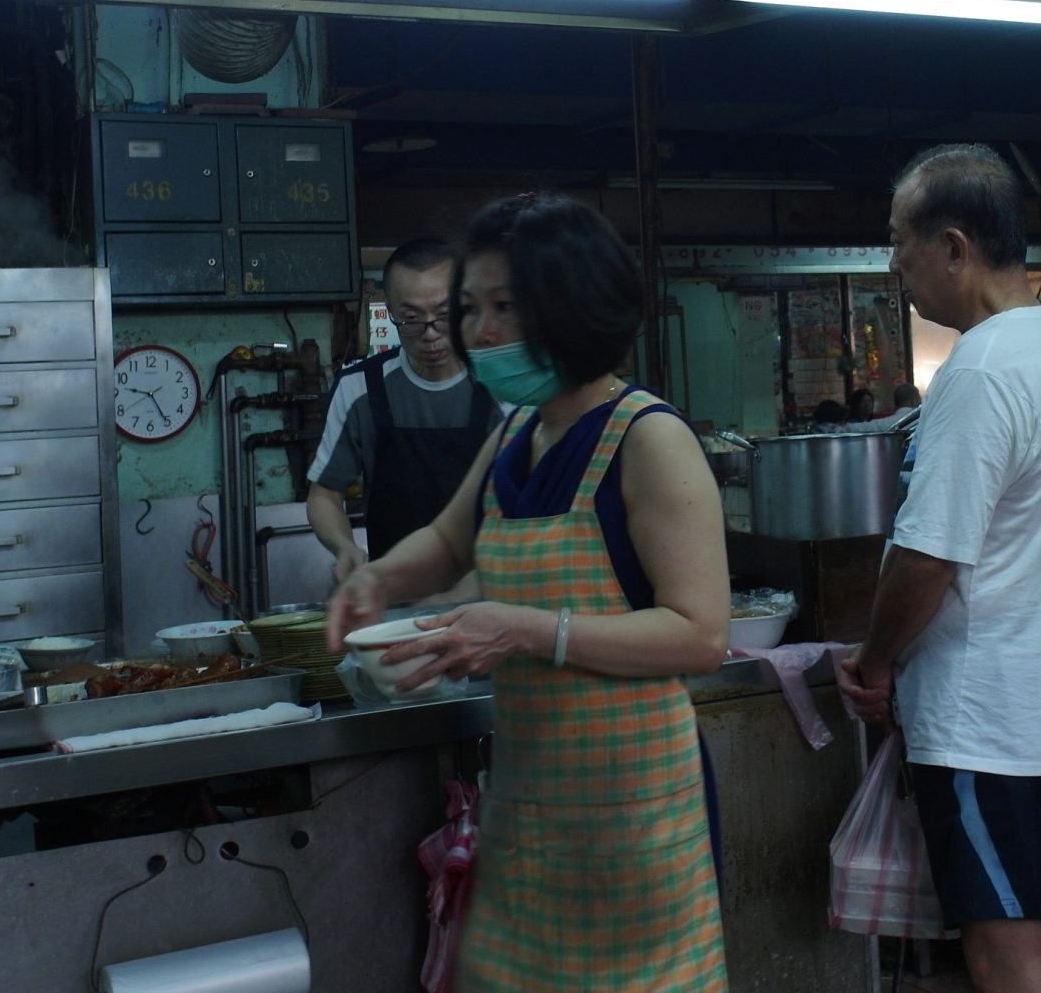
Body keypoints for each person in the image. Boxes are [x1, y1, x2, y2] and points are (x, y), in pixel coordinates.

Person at [326, 195, 730, 992]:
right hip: (531, 813)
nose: (480, 333)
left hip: (634, 819)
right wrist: (373, 577)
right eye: (471, 307)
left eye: (505, 307)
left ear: (574, 304)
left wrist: (526, 631)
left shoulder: (647, 439)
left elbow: (700, 635)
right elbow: (446, 543)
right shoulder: (516, 434)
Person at [839, 143, 1041, 993]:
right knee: (1040, 934)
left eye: (899, 240)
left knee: (1004, 945)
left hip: (987, 717)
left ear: (953, 247)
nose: (894, 262)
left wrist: (875, 663)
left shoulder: (982, 370)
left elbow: (928, 558)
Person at [306, 239, 499, 580]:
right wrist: (344, 546)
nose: (430, 334)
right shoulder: (360, 387)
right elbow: (324, 495)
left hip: (490, 592)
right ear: (389, 311)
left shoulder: (502, 385)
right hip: (394, 594)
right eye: (411, 319)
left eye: (443, 316)